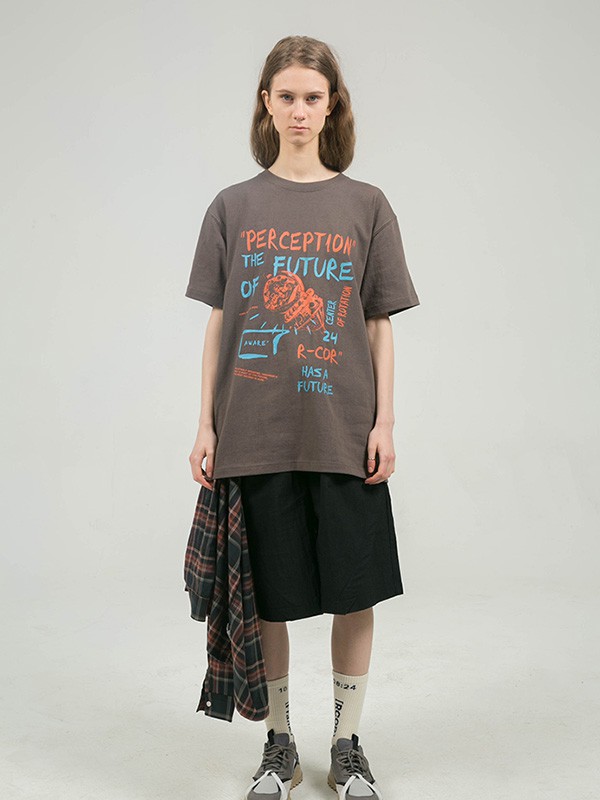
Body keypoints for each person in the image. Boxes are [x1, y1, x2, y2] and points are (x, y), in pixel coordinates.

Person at [185, 34, 420, 800]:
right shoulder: (233, 206)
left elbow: (379, 323)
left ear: (331, 106)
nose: (298, 110)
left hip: (343, 431)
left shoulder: (366, 205)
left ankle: (346, 744)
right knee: (270, 600)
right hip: (254, 433)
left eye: (312, 97)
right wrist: (206, 425)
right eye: (285, 96)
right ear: (266, 102)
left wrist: (384, 423)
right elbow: (219, 321)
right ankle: (279, 744)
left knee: (355, 591)